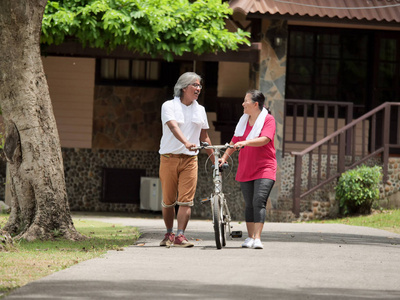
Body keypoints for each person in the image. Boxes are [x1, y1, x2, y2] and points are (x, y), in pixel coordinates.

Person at [158, 72, 214, 248]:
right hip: (169, 158)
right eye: (194, 85)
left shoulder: (200, 109)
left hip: (190, 160)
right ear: (183, 87)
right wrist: (186, 142)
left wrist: (215, 160)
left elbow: (204, 136)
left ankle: (180, 236)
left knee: (186, 200)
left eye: (199, 86)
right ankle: (168, 233)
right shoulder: (168, 106)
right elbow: (173, 127)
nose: (198, 88)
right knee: (168, 201)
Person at [219, 90, 277, 249]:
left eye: (246, 101)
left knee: (259, 200)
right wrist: (224, 157)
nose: (243, 104)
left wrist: (246, 142)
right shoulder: (243, 121)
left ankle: (257, 238)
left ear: (255, 104)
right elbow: (234, 141)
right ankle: (250, 237)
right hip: (246, 168)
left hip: (265, 168)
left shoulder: (268, 120)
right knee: (249, 204)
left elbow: (265, 139)